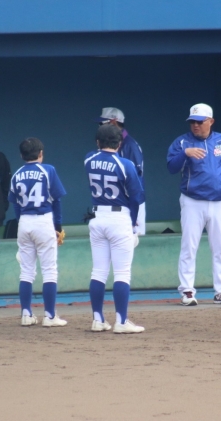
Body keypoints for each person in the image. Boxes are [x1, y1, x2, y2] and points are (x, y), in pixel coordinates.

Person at [167, 103, 221, 306]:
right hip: (192, 201)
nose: (195, 125)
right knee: (189, 247)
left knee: (220, 247)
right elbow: (171, 167)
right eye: (192, 121)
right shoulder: (182, 142)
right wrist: (185, 153)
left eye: (200, 122)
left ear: (211, 121)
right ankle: (187, 291)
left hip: (218, 202)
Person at [85, 124, 145, 334]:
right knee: (122, 272)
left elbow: (97, 155)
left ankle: (98, 319)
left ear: (98, 142)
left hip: (97, 216)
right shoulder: (125, 164)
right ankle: (121, 321)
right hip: (119, 218)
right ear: (119, 143)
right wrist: (133, 223)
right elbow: (136, 197)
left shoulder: (88, 159)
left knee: (98, 271)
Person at [9, 138, 68, 327]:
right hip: (43, 220)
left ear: (22, 155)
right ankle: (50, 316)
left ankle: (26, 314)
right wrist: (58, 227)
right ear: (41, 153)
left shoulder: (17, 174)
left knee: (26, 271)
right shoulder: (48, 170)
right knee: (49, 270)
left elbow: (15, 204)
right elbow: (57, 201)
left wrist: (22, 223)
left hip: (24, 222)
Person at [94, 108, 146, 234]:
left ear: (113, 122)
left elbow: (135, 182)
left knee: (134, 243)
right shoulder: (109, 145)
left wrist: (132, 211)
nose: (100, 127)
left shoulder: (129, 145)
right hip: (115, 206)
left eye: (102, 123)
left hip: (131, 205)